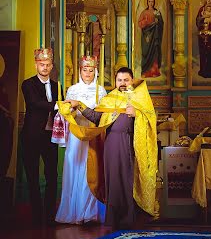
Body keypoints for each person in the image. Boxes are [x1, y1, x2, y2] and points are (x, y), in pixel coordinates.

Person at [61, 67, 158, 229]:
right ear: (115, 81)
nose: (122, 83)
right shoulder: (109, 98)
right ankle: (112, 219)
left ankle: (128, 219)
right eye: (119, 80)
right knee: (112, 180)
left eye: (126, 80)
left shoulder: (140, 98)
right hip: (111, 144)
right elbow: (97, 117)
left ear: (132, 80)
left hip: (129, 143)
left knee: (127, 180)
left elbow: (150, 119)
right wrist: (79, 105)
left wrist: (137, 114)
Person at [55, 56, 107, 224]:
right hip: (76, 135)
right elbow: (67, 113)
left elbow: (102, 116)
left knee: (90, 171)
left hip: (93, 136)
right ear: (80, 71)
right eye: (84, 70)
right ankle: (72, 212)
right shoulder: (72, 90)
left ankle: (90, 213)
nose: (87, 74)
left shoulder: (101, 91)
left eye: (91, 70)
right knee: (74, 168)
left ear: (96, 72)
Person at [20, 48, 63, 226]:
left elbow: (61, 110)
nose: (45, 67)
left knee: (52, 176)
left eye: (47, 65)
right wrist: (58, 105)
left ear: (52, 66)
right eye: (41, 64)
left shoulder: (56, 86)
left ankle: (49, 216)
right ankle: (37, 217)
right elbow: (35, 104)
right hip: (31, 136)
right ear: (36, 64)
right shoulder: (28, 84)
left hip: (50, 136)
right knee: (32, 176)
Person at [138, 0, 164, 78]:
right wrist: (145, 21)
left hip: (155, 35)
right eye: (149, 1)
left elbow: (161, 23)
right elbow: (139, 23)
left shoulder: (157, 12)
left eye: (152, 1)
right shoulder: (144, 12)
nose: (151, 3)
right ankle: (146, 72)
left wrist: (158, 21)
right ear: (147, 2)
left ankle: (155, 71)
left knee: (155, 52)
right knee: (146, 52)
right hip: (147, 36)